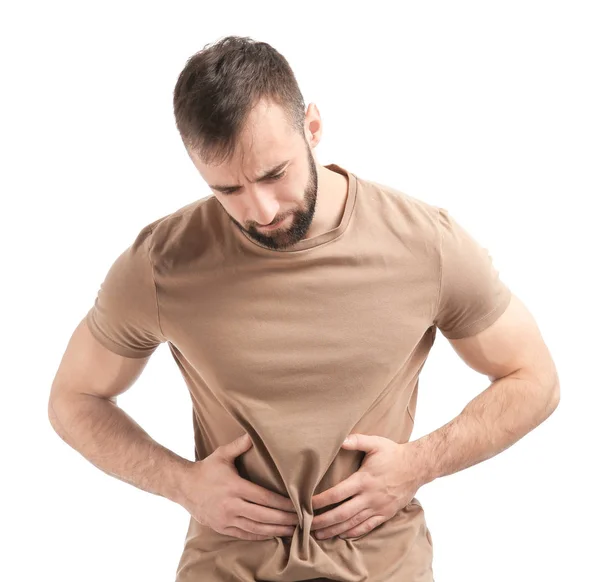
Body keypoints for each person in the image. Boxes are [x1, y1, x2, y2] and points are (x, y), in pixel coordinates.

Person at [48, 35, 560, 582]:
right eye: (228, 190)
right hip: (225, 567)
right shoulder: (163, 260)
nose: (261, 209)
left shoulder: (424, 243)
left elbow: (535, 380)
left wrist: (418, 464)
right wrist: (182, 484)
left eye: (274, 174)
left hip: (382, 568)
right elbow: (74, 399)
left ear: (312, 127)